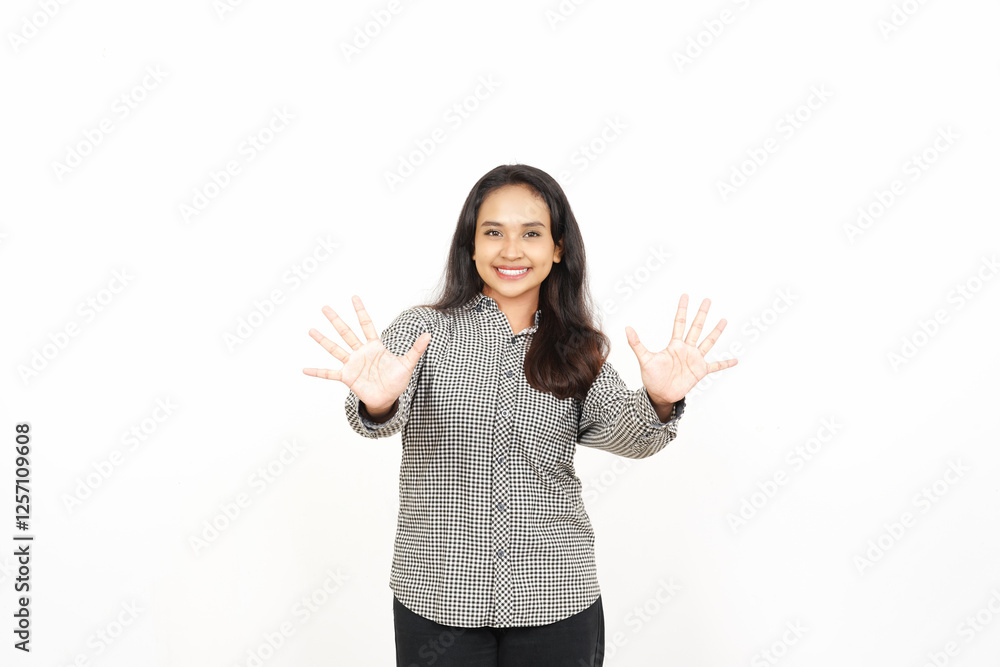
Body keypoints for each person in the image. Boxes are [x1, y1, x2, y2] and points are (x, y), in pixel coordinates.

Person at [302, 164, 738, 666]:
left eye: (531, 233)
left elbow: (629, 435)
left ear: (558, 248)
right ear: (470, 246)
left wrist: (660, 400)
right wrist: (378, 402)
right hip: (438, 595)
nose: (511, 250)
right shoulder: (422, 331)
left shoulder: (577, 347)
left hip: (556, 598)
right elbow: (377, 418)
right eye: (493, 233)